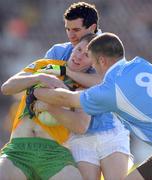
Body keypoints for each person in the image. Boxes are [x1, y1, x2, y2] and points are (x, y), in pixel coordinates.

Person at [33, 32, 152, 179]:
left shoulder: (110, 90)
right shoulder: (140, 65)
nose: (94, 69)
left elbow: (65, 98)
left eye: (94, 64)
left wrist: (36, 91)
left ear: (102, 61)